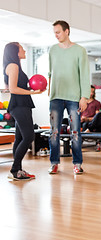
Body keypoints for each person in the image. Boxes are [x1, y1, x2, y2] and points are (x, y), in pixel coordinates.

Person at [48, 20, 90, 175]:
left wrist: (84, 96)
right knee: (54, 132)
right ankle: (54, 163)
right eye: (54, 33)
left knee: (75, 133)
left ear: (67, 31)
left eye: (58, 32)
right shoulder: (52, 50)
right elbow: (50, 73)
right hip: (55, 97)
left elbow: (84, 75)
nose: (56, 35)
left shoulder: (79, 50)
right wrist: (48, 90)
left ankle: (77, 164)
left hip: (74, 97)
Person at [3, 42, 44, 180]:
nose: (24, 50)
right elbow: (13, 89)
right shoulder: (13, 66)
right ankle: (15, 170)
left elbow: (10, 87)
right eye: (21, 48)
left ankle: (18, 170)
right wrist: (34, 93)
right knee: (29, 137)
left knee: (20, 138)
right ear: (15, 51)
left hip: (21, 105)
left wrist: (31, 90)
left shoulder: (13, 66)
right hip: (19, 105)